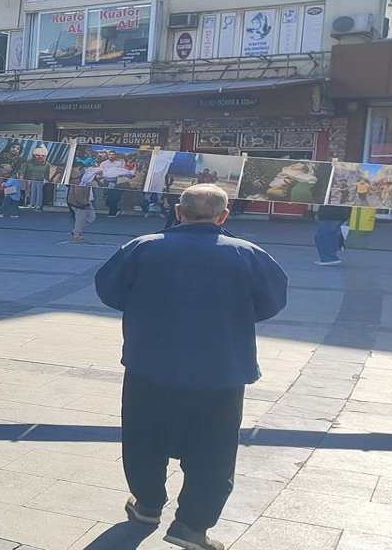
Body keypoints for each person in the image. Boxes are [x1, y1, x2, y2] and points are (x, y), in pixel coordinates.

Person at [94, 184, 288, 550]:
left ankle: (147, 504)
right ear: (223, 216)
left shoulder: (143, 247)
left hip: (150, 363)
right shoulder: (248, 254)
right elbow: (272, 301)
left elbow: (110, 291)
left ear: (178, 212)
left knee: (143, 438)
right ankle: (192, 526)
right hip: (220, 369)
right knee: (213, 449)